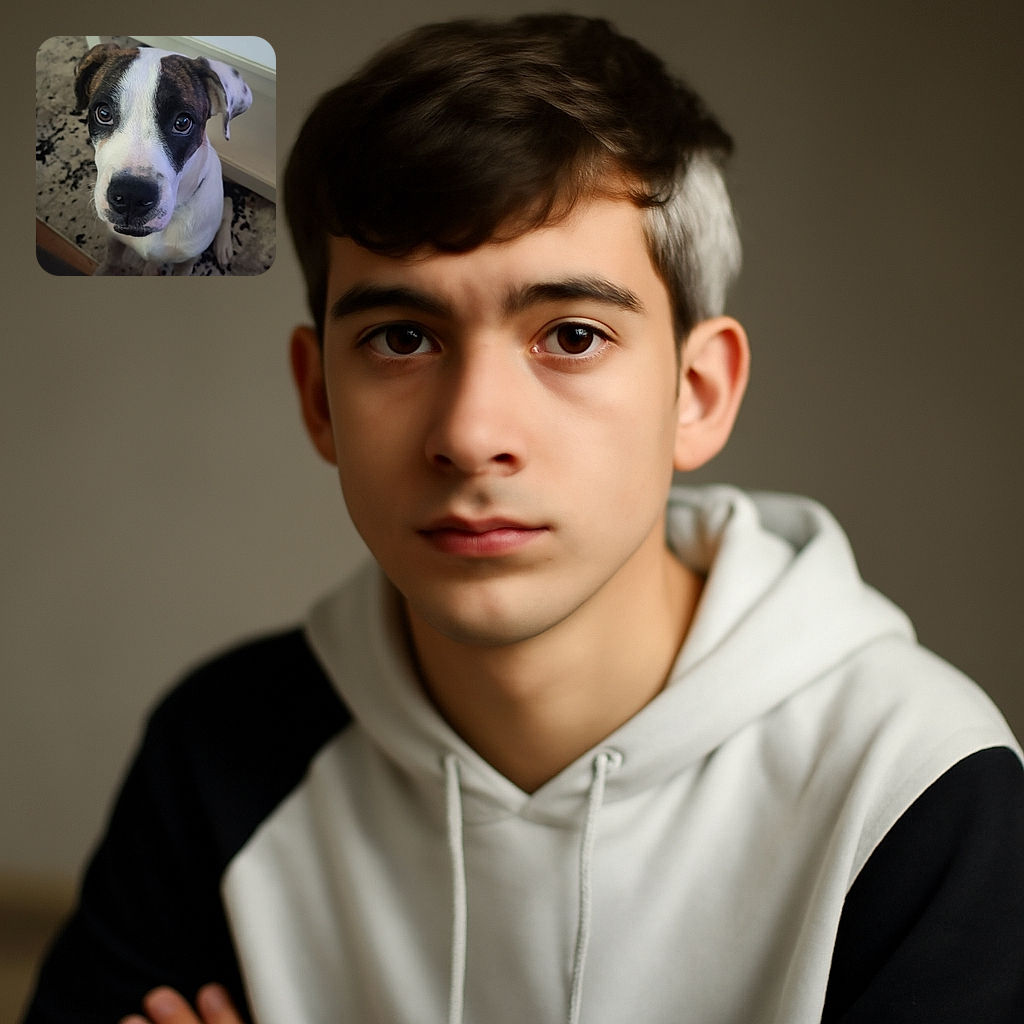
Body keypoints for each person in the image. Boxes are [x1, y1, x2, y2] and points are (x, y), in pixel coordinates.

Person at [23, 14, 1024, 1024]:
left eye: (572, 334)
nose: (471, 433)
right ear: (319, 397)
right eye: (403, 336)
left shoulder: (914, 786)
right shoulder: (220, 753)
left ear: (699, 392)